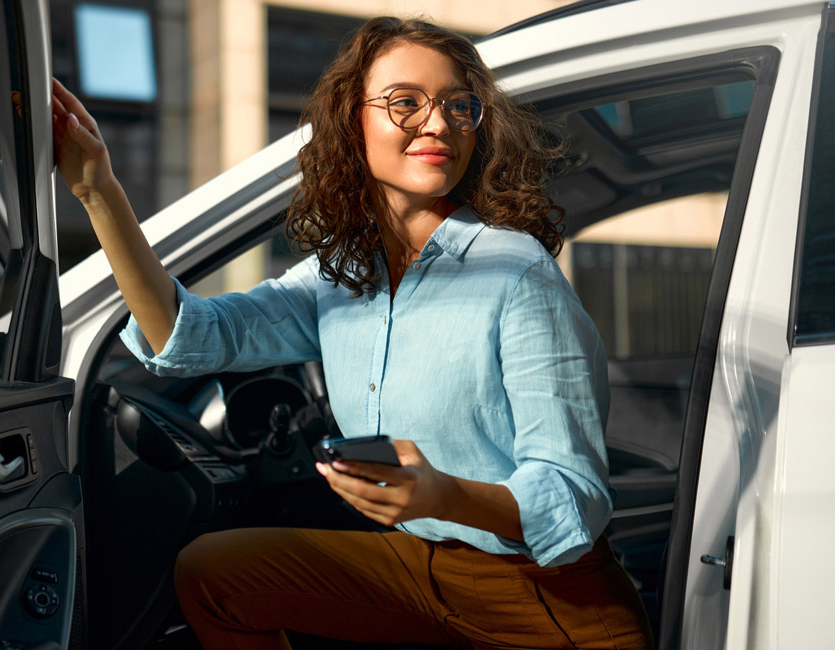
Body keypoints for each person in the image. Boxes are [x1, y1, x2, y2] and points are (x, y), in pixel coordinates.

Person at [52, 16, 654, 650]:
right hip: (422, 569)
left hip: (548, 600)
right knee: (212, 575)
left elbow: (573, 497)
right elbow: (188, 334)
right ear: (351, 122)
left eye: (458, 106)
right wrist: (98, 191)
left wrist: (444, 494)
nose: (438, 123)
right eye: (405, 103)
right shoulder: (341, 276)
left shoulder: (519, 272)